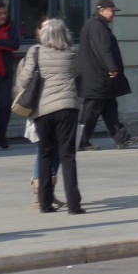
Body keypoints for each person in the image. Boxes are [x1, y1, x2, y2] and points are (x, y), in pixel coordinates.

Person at [15, 17, 84, 214]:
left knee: (45, 154)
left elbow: (24, 79)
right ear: (64, 34)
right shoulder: (71, 53)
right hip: (67, 107)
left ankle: (44, 204)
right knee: (68, 156)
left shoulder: (35, 52)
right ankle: (74, 205)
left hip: (43, 110)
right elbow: (75, 73)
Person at [77, 0, 136, 150]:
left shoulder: (96, 25)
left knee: (110, 107)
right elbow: (103, 49)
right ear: (101, 10)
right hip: (98, 78)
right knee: (91, 111)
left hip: (100, 77)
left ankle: (121, 138)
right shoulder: (97, 26)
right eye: (112, 10)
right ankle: (80, 141)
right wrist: (112, 68)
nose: (114, 14)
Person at [0, 0, 21, 150]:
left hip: (4, 73)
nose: (2, 16)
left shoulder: (11, 25)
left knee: (4, 106)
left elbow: (15, 44)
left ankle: (0, 135)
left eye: (4, 13)